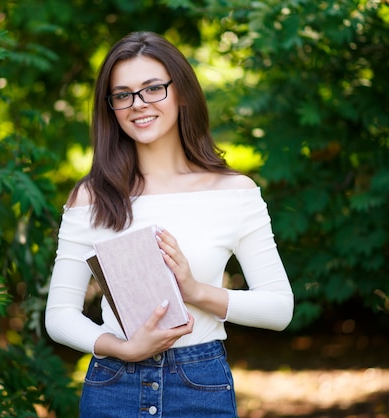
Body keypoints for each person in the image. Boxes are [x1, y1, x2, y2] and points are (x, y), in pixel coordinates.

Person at [45, 31, 293, 417]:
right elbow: (59, 315)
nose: (138, 104)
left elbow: (279, 309)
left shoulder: (234, 192)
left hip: (199, 385)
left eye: (152, 89)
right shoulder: (91, 197)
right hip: (113, 385)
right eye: (122, 94)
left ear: (182, 93)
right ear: (111, 107)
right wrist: (123, 348)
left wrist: (193, 290)